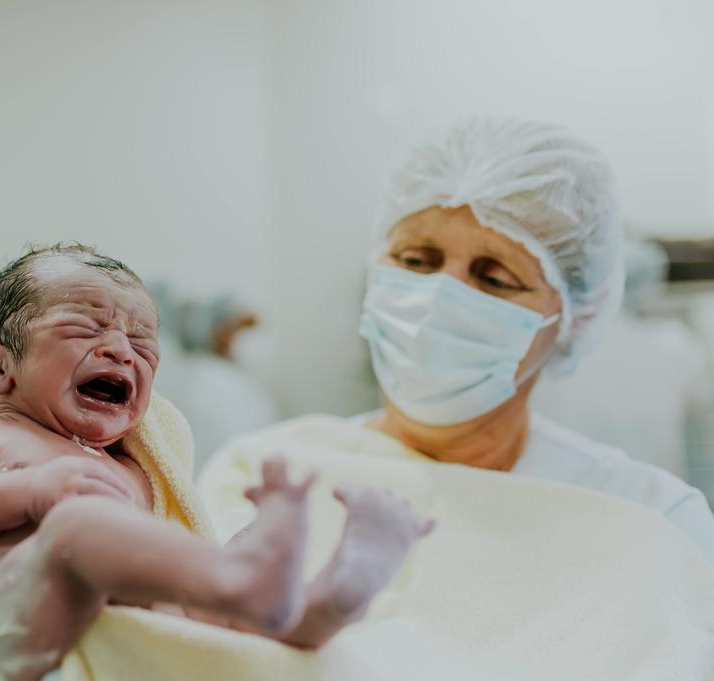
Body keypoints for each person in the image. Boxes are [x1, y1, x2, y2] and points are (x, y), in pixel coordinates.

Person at [0, 243, 433, 681]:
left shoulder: (131, 467)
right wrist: (34, 492)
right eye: (85, 328)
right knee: (76, 528)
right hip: (6, 634)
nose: (121, 349)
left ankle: (327, 600)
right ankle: (247, 584)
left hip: (128, 641)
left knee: (220, 560)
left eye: (142, 342)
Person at [209, 115, 714, 561]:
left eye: (494, 277)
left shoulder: (651, 520)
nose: (438, 297)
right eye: (415, 261)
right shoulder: (258, 479)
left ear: (570, 320)